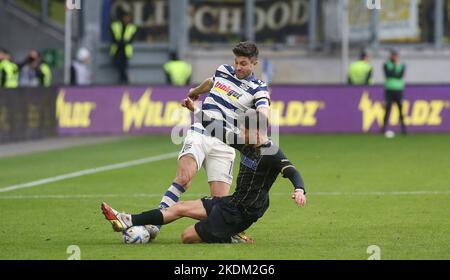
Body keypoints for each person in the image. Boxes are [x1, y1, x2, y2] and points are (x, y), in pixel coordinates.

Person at [118, 42, 271, 241]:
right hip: (201, 131)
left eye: (243, 63)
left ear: (254, 64)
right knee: (184, 177)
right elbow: (211, 81)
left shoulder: (258, 88)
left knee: (220, 203)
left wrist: (262, 118)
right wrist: (195, 91)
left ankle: (230, 232)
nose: (238, 67)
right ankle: (153, 225)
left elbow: (263, 109)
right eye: (236, 62)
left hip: (226, 142)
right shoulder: (224, 71)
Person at [101, 109, 306, 244]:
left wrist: (299, 189)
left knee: (186, 237)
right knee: (179, 207)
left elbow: (292, 171)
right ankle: (127, 219)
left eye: (244, 130)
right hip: (231, 203)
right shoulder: (246, 142)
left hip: (241, 214)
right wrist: (196, 110)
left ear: (258, 131)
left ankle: (230, 235)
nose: (240, 133)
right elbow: (216, 130)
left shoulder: (272, 152)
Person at [382, 49, 407, 135]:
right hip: (389, 90)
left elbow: (400, 76)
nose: (394, 57)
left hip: (398, 90)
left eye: (396, 55)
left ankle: (404, 130)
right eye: (393, 55)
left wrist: (395, 71)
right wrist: (395, 68)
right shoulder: (386, 64)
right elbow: (388, 74)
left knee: (400, 109)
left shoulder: (402, 65)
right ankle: (383, 129)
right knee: (387, 109)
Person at [110, 13, 137, 84]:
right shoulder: (115, 25)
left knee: (124, 65)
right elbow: (113, 38)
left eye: (128, 18)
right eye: (125, 17)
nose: (126, 19)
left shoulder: (132, 27)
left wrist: (122, 42)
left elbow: (131, 39)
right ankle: (124, 79)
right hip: (117, 49)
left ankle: (123, 79)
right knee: (118, 65)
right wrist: (121, 42)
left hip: (126, 50)